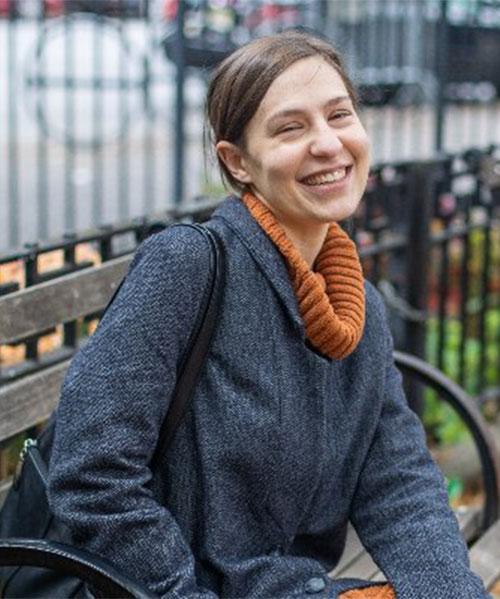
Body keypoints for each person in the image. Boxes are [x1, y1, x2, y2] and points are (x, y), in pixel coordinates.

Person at [48, 31, 489, 598]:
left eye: (339, 115)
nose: (328, 144)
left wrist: (451, 594)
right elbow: (92, 476)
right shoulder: (188, 266)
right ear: (239, 163)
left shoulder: (355, 306)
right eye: (291, 128)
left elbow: (396, 481)